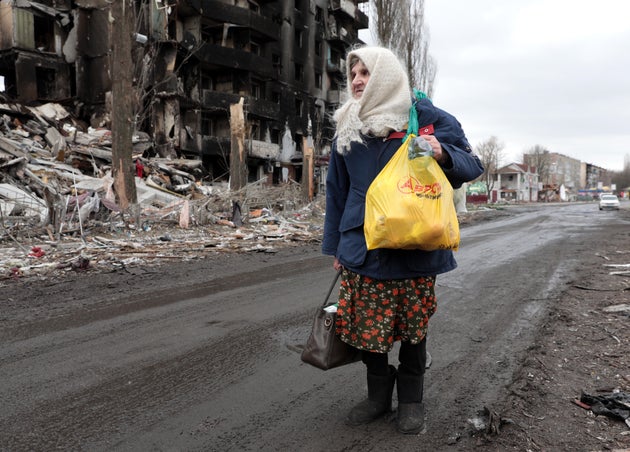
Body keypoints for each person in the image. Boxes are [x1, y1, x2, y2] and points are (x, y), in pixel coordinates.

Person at [322, 46, 484, 435]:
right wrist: (337, 248)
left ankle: (411, 400)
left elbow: (471, 165)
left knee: (413, 329)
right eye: (354, 74)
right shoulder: (348, 123)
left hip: (415, 244)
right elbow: (337, 191)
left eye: (366, 73)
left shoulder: (426, 117)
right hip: (364, 246)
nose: (358, 81)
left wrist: (443, 153)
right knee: (367, 330)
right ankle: (378, 398)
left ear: (387, 76)